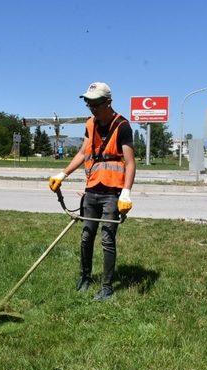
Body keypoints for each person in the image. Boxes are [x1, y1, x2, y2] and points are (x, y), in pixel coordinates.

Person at [48, 82, 136, 301]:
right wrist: (63, 174)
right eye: (89, 104)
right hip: (92, 190)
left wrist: (126, 192)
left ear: (108, 102)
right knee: (87, 236)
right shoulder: (90, 124)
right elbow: (82, 153)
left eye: (95, 104)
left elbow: (130, 163)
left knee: (107, 239)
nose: (92, 108)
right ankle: (85, 277)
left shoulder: (122, 126)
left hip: (112, 193)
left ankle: (106, 287)